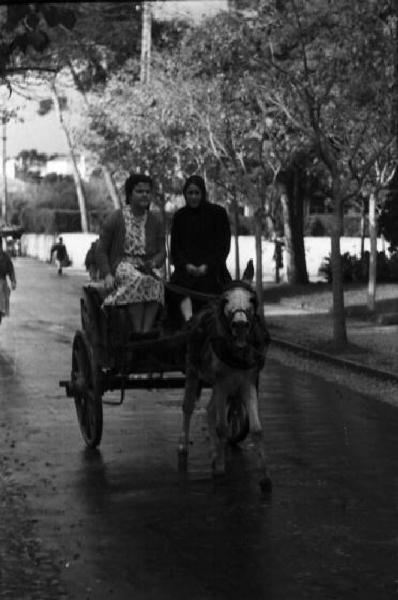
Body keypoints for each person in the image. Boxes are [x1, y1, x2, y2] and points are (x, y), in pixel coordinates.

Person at [96, 173, 166, 334]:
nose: (144, 195)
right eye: (139, 191)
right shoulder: (116, 218)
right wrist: (107, 274)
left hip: (146, 265)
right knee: (138, 279)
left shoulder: (156, 220)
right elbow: (101, 250)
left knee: (156, 282)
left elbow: (162, 251)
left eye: (148, 192)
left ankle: (145, 332)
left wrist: (154, 263)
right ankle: (136, 330)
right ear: (130, 194)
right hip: (122, 264)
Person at [168, 174, 231, 326]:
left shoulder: (218, 214)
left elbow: (223, 247)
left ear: (203, 193)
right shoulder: (180, 216)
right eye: (190, 193)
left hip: (213, 272)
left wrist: (206, 266)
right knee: (175, 295)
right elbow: (175, 249)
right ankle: (187, 327)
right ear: (185, 194)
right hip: (185, 273)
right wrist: (186, 266)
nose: (194, 197)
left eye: (197, 193)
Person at [0, 240, 17, 324]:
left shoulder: (5, 257)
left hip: (2, 285)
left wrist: (13, 281)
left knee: (1, 308)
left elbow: (10, 270)